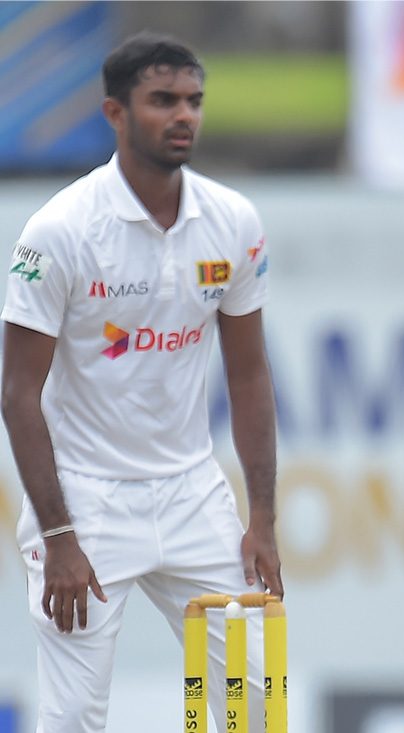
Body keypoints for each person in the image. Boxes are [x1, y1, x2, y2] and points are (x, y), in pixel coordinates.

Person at [0, 33, 282, 732]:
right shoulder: (59, 230)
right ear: (115, 113)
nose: (183, 115)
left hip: (193, 491)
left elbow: (249, 375)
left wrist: (264, 517)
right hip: (87, 505)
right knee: (71, 719)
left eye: (193, 101)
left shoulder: (233, 221)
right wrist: (61, 534)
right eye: (162, 101)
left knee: (254, 707)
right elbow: (15, 393)